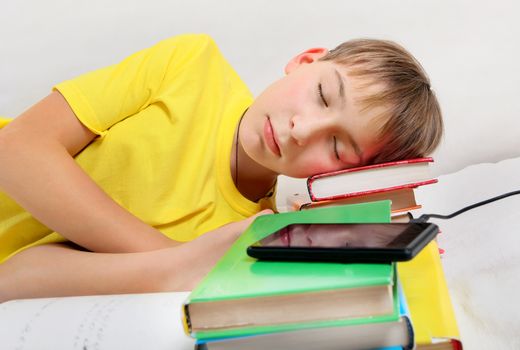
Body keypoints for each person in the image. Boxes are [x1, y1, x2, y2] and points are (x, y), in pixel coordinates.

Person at [0, 34, 442, 302]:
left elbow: (21, 275)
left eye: (337, 147)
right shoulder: (191, 65)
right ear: (306, 61)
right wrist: (170, 258)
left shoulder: (247, 235)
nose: (300, 129)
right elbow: (16, 150)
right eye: (323, 95)